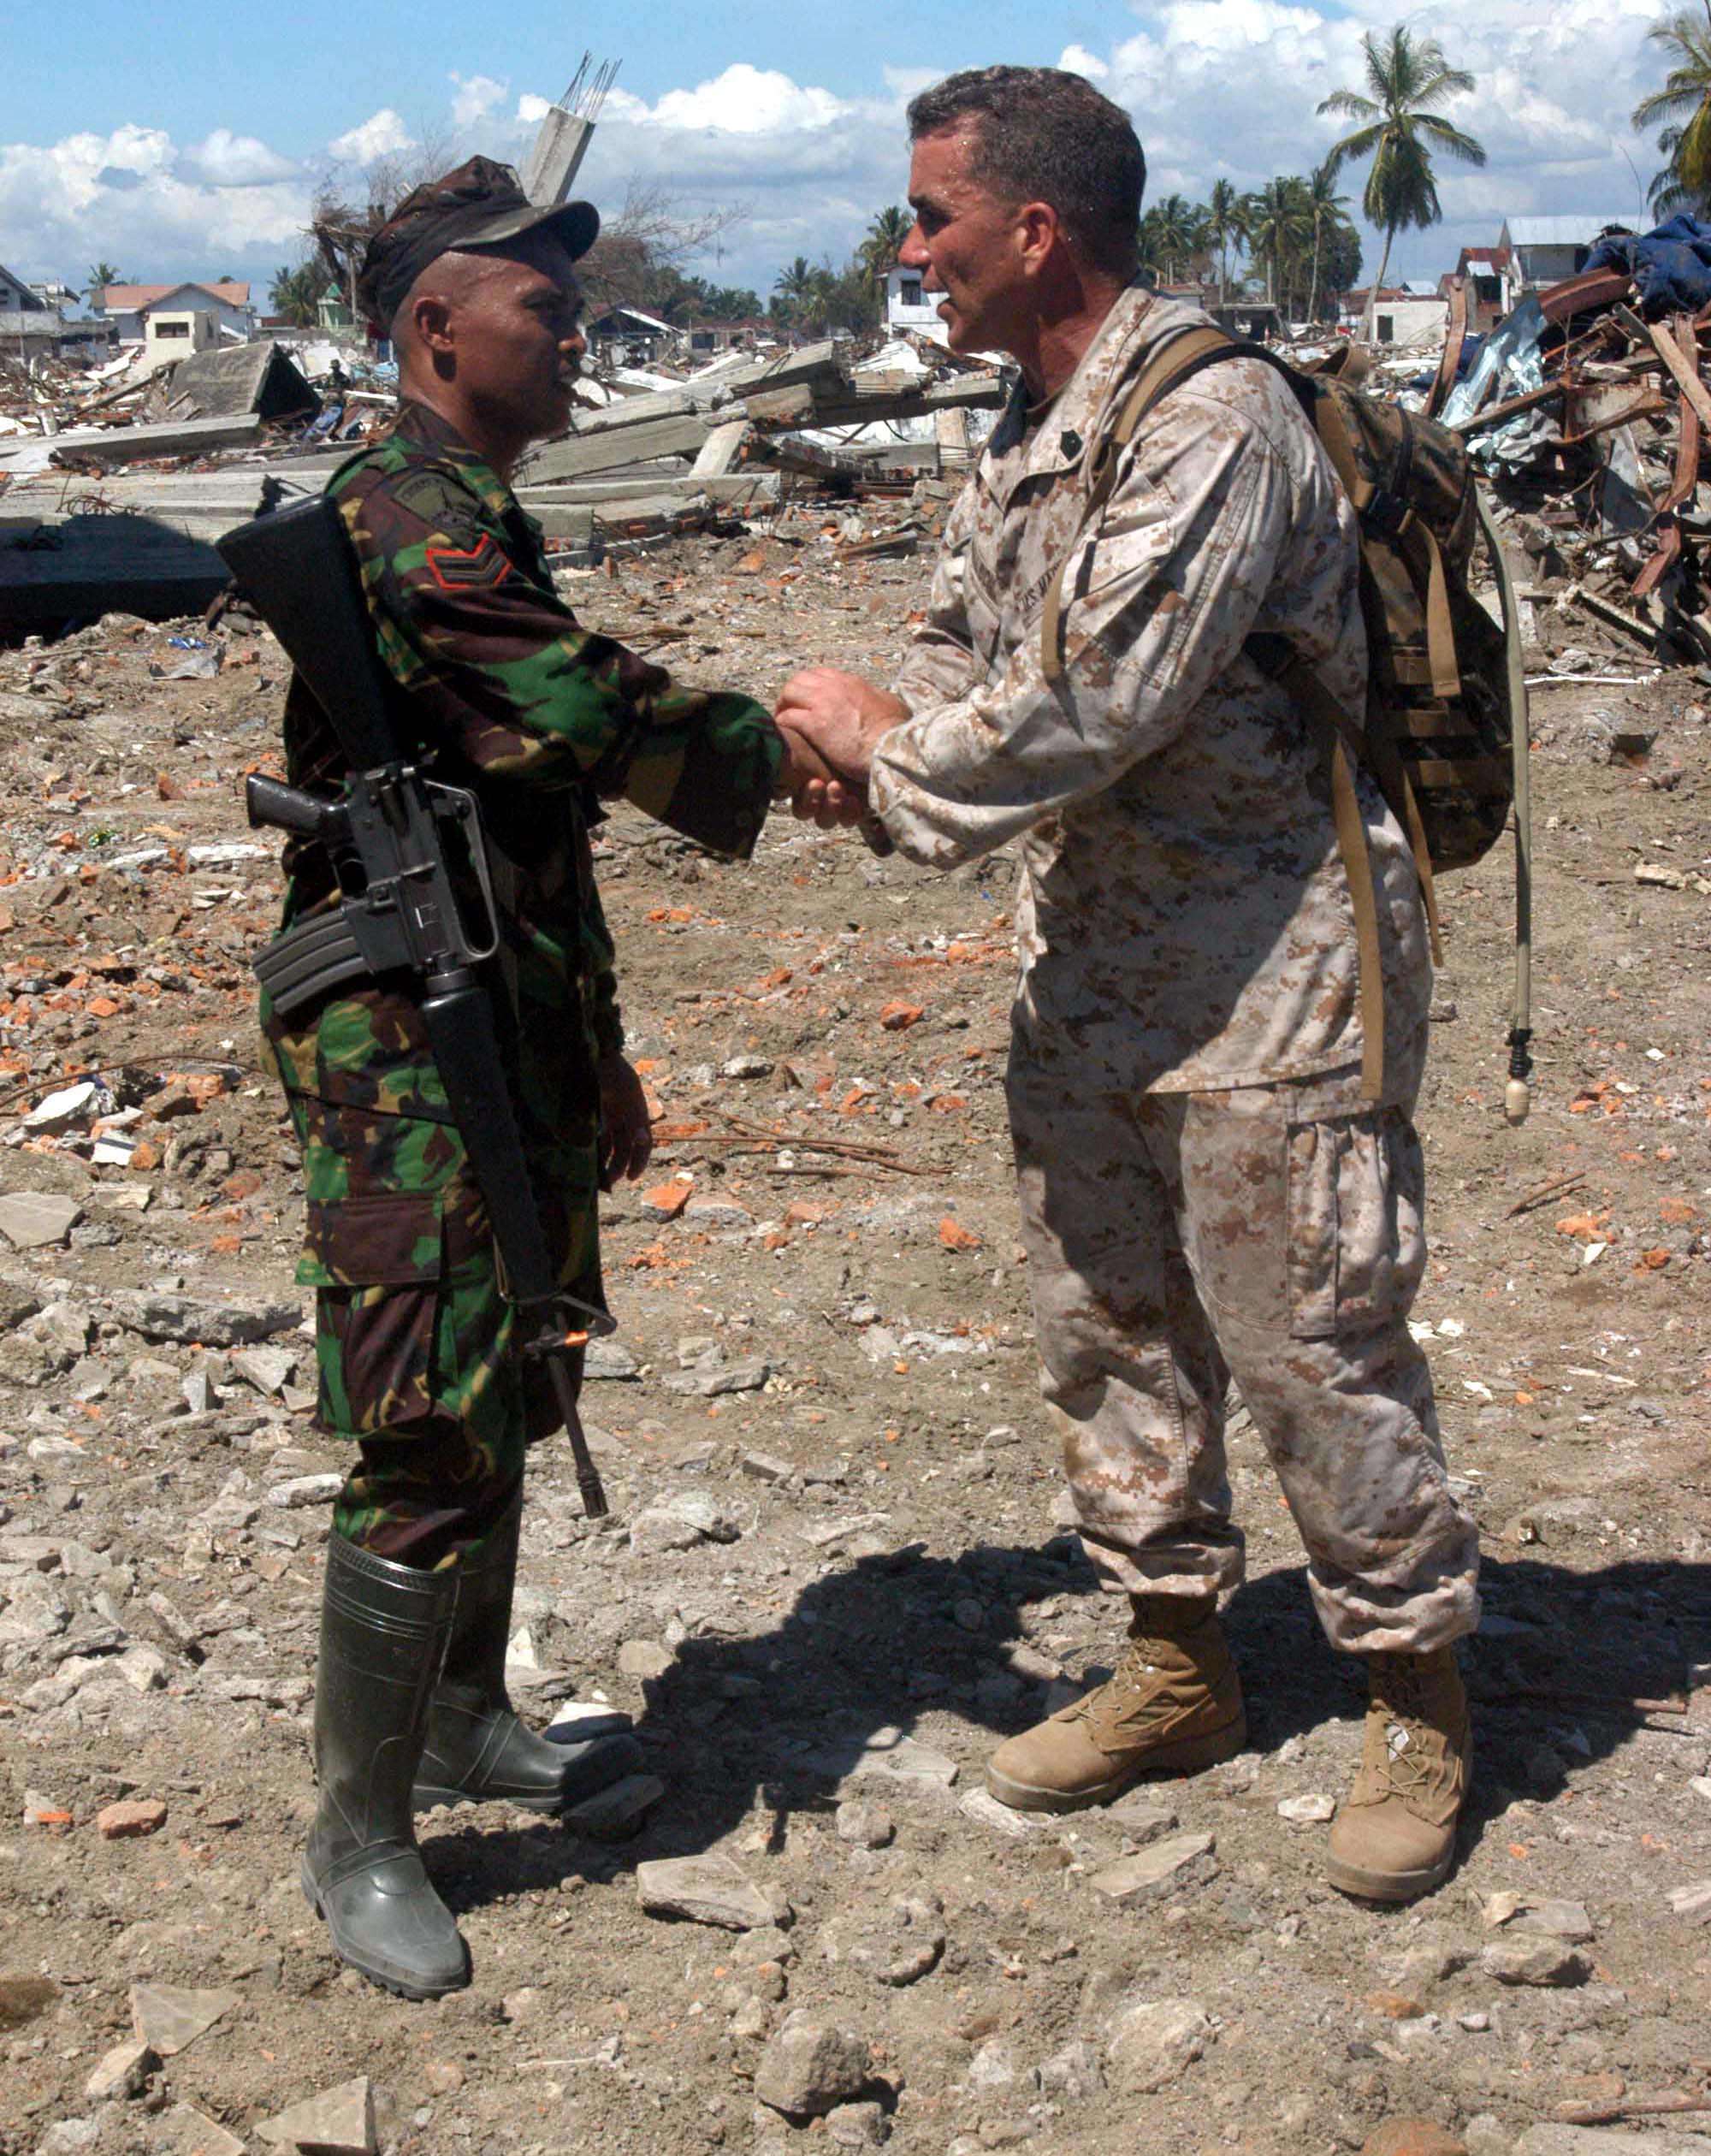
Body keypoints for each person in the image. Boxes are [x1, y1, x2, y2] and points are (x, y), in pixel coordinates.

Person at [777, 68, 1480, 1905]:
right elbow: (962, 636)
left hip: (1280, 974)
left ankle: (1416, 1688)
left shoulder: (1216, 419)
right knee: (1106, 1330)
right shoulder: (1029, 417)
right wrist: (865, 742)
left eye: (930, 216)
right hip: (1094, 965)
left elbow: (1097, 697)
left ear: (1035, 230)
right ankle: (1178, 1661)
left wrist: (892, 761)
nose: (907, 248)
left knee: (1309, 1345)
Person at [261, 157, 838, 1996]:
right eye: (544, 308)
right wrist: (801, 749)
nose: (576, 335)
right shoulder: (412, 516)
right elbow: (584, 710)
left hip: (492, 1004)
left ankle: (464, 1723)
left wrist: (590, 1058)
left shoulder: (469, 505)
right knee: (428, 1410)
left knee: (520, 1351)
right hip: (401, 1039)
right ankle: (359, 1835)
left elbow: (518, 824)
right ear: (439, 328)